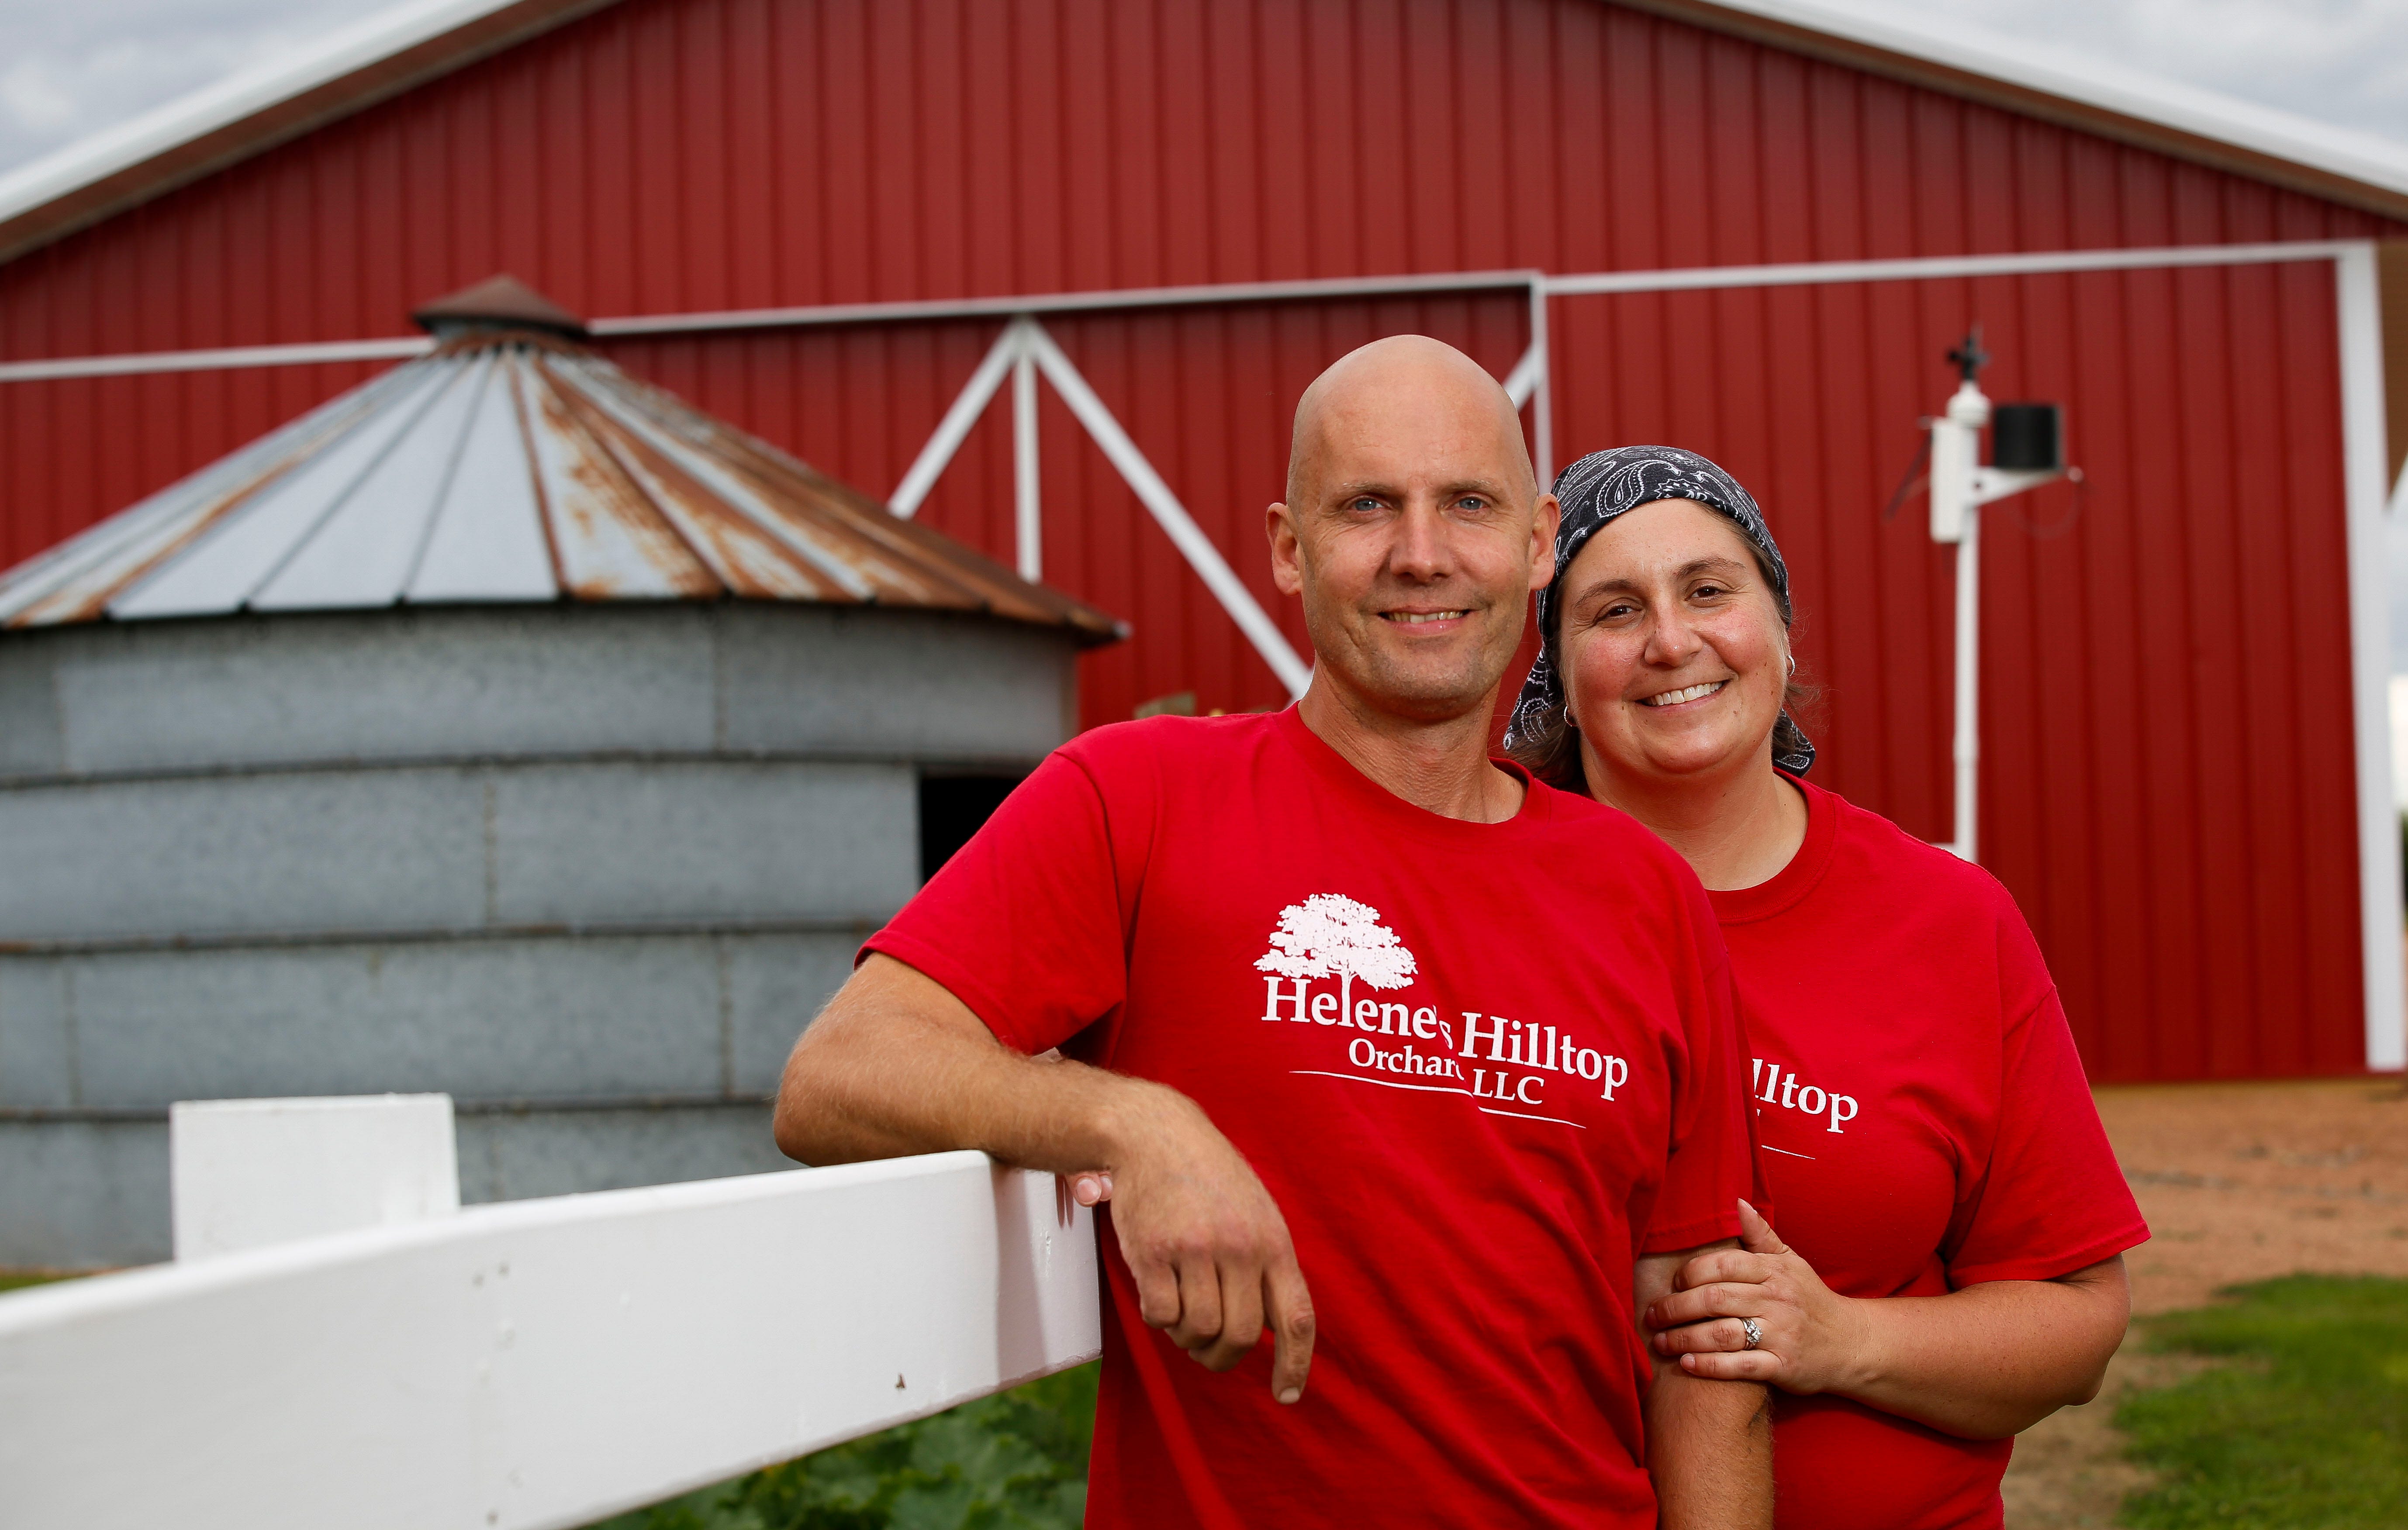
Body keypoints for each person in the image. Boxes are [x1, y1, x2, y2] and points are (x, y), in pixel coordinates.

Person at [773, 341, 1771, 1528]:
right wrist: (1135, 1121)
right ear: (1289, 551)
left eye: (1467, 502)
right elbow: (837, 1074)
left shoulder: (1645, 896)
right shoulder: (1135, 800)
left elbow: (1695, 1327)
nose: (1421, 553)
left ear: (1538, 540)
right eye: (1365, 507)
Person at [1505, 445, 2150, 1530]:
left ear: (1782, 627)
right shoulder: (1487, 905)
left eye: (1711, 590)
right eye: (1614, 610)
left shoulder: (1948, 919)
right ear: (1557, 672)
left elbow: (2078, 1324)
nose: (1672, 640)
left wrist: (1838, 1338)